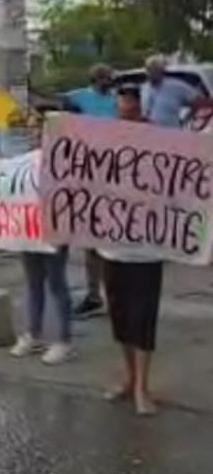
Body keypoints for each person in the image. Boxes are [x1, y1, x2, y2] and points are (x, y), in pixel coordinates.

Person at [102, 85, 165, 416]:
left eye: (131, 113)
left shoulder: (162, 145)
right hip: (111, 250)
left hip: (147, 251)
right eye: (121, 113)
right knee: (121, 319)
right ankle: (128, 378)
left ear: (141, 112)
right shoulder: (105, 144)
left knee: (143, 319)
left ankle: (143, 386)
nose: (126, 118)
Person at [9, 112, 73, 365]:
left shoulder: (65, 159)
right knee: (33, 282)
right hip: (28, 228)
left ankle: (64, 340)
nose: (34, 132)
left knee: (57, 284)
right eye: (32, 128)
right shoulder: (23, 158)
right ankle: (33, 334)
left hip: (55, 229)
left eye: (39, 127)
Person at [62, 64, 117, 318]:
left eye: (111, 78)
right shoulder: (78, 98)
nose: (110, 81)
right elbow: (60, 117)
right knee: (90, 241)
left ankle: (114, 295)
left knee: (111, 242)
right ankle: (94, 295)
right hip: (86, 175)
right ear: (95, 79)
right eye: (106, 78)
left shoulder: (117, 102)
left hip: (114, 175)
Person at [141, 54, 212, 128]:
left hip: (171, 134)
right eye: (149, 69)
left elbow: (198, 101)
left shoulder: (176, 86)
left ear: (162, 71)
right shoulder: (144, 88)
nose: (151, 72)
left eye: (155, 69)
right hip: (149, 133)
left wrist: (190, 118)